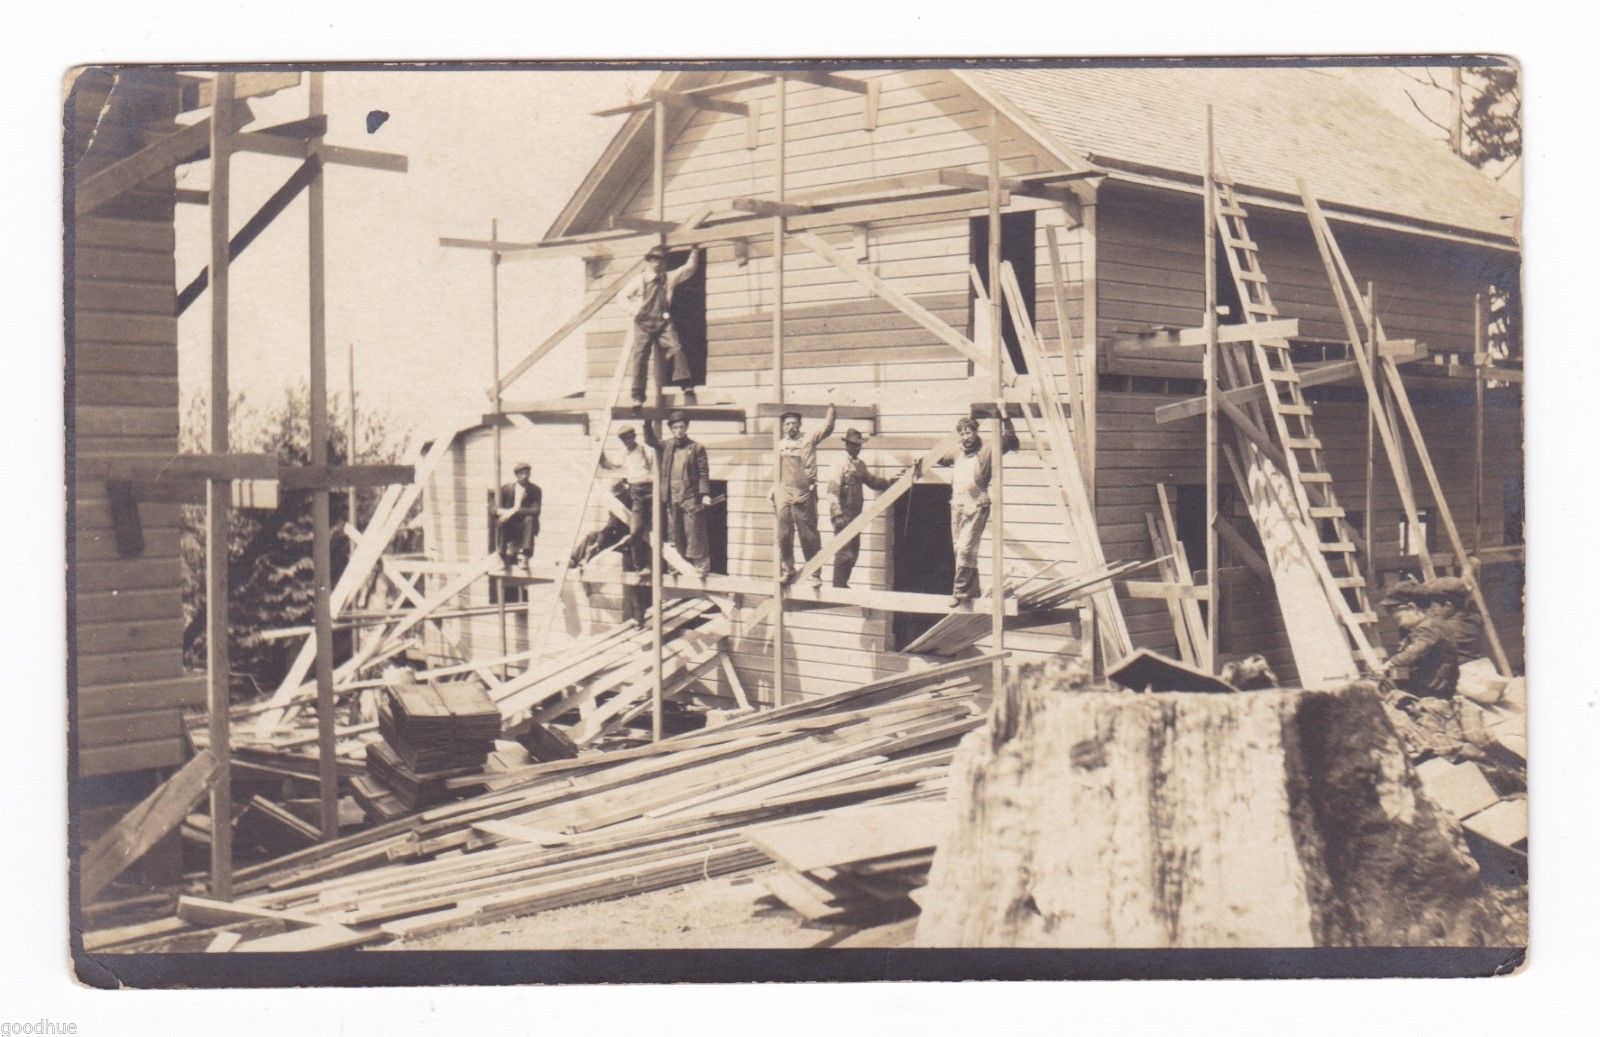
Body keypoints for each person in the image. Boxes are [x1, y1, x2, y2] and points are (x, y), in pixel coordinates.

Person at [938, 415, 1019, 607]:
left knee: (966, 548)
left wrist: (1006, 419)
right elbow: (940, 457)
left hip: (976, 506)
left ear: (976, 432)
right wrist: (922, 459)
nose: (966, 437)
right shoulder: (958, 453)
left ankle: (958, 591)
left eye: (969, 432)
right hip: (957, 506)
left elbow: (1009, 439)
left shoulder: (986, 451)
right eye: (963, 433)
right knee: (960, 549)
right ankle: (972, 589)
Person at [627, 244, 702, 407]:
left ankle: (686, 386)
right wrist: (635, 311)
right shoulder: (639, 280)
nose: (659, 264)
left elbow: (688, 269)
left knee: (675, 348)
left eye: (662, 260)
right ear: (649, 261)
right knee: (640, 356)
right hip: (643, 323)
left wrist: (695, 250)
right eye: (656, 260)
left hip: (663, 321)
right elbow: (621, 297)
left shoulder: (668, 277)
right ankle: (638, 395)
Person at [772, 404, 836, 586]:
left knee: (808, 534)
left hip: (804, 491)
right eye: (787, 424)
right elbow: (777, 471)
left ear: (800, 425)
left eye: (794, 423)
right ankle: (788, 570)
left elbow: (827, 428)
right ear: (783, 427)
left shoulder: (808, 440)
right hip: (784, 490)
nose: (791, 427)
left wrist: (831, 409)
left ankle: (815, 573)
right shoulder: (780, 445)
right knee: (783, 534)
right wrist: (774, 489)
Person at [825, 427, 891, 588]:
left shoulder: (860, 465)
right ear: (846, 445)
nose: (857, 448)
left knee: (854, 552)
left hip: (857, 516)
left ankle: (843, 583)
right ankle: (838, 586)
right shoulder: (839, 463)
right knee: (844, 553)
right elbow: (832, 490)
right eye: (854, 444)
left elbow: (873, 481)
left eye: (859, 445)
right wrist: (837, 514)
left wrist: (890, 481)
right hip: (844, 516)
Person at [649, 410, 713, 576]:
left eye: (681, 427)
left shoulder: (696, 448)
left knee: (694, 531)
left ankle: (702, 566)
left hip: (690, 497)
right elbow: (650, 441)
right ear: (671, 429)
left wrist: (705, 493)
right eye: (675, 427)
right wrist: (646, 422)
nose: (679, 430)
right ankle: (675, 566)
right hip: (672, 497)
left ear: (686, 427)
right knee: (673, 532)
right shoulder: (666, 445)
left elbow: (703, 473)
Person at [1379, 580, 1460, 700]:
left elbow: (1414, 652)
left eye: (1398, 618)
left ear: (1413, 607)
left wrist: (1390, 664)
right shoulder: (1435, 623)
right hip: (1434, 683)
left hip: (1434, 689)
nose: (1399, 625)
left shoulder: (1428, 627)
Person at [1430, 575, 1487, 662]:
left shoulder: (1448, 628)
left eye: (1434, 606)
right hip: (1476, 667)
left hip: (1460, 672)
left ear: (1447, 606)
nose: (1432, 610)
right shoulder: (1475, 617)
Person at [494, 462, 541, 568]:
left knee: (529, 519)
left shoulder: (535, 490)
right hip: (510, 527)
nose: (524, 476)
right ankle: (502, 557)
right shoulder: (507, 488)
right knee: (500, 521)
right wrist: (500, 511)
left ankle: (525, 557)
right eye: (522, 473)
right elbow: (492, 508)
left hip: (525, 527)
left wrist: (515, 510)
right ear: (517, 475)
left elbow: (535, 510)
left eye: (527, 473)